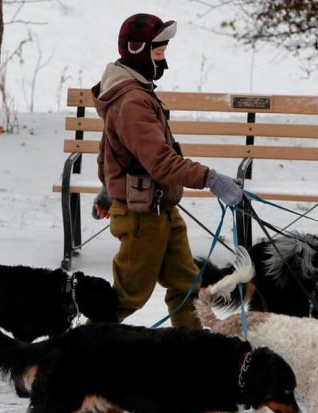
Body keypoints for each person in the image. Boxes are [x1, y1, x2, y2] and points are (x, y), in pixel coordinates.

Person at [91, 13, 243, 327]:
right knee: (128, 295)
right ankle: (77, 352)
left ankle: (191, 353)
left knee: (187, 286)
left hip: (161, 209)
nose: (164, 61)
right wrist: (211, 179)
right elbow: (159, 160)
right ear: (137, 51)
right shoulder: (132, 101)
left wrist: (107, 190)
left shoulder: (134, 90)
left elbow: (111, 149)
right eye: (158, 53)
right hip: (140, 217)